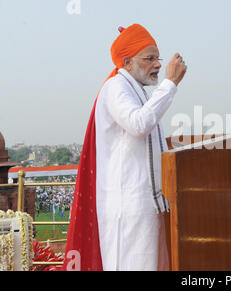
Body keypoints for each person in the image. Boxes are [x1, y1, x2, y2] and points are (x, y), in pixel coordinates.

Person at [63, 24, 187, 271]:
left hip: (146, 203)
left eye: (158, 58)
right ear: (127, 62)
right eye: (150, 58)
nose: (158, 65)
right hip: (127, 205)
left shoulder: (136, 91)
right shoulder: (116, 87)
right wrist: (170, 83)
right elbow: (139, 124)